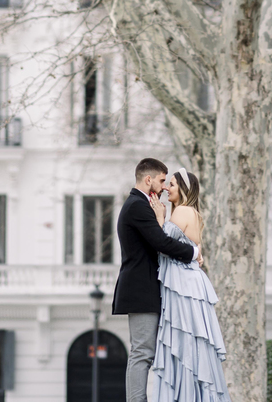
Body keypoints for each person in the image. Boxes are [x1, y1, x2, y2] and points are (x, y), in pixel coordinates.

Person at [113, 158, 199, 402]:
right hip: (141, 291)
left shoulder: (141, 204)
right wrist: (193, 252)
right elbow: (160, 242)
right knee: (142, 352)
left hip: (148, 290)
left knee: (146, 352)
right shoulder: (138, 205)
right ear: (148, 179)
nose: (164, 187)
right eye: (162, 181)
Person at [151, 168, 230, 402]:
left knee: (185, 342)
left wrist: (159, 219)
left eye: (172, 184)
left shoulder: (183, 211)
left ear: (184, 189)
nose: (167, 188)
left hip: (184, 287)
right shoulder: (189, 213)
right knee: (188, 342)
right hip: (185, 284)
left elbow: (162, 244)